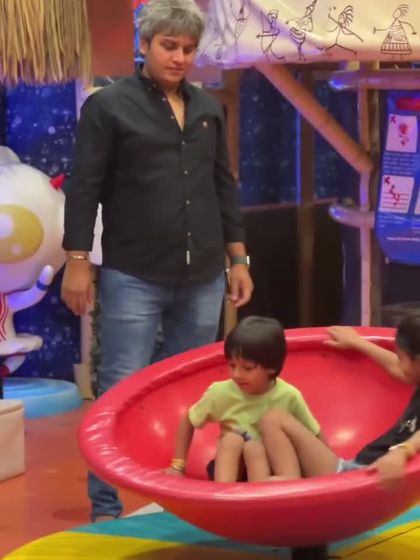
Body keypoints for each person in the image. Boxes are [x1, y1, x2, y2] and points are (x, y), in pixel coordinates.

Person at [61, 0, 253, 521]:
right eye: (169, 46)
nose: (179, 57)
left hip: (204, 275)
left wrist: (239, 258)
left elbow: (223, 188)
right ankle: (106, 508)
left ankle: (179, 499)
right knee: (119, 387)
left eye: (188, 49)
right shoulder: (108, 107)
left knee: (192, 391)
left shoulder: (208, 108)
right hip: (133, 273)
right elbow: (83, 187)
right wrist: (78, 259)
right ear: (144, 45)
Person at [244, 316, 420, 488]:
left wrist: (403, 452)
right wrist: (359, 343)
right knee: (268, 426)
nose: (398, 363)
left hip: (360, 477)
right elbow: (396, 367)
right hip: (355, 469)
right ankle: (288, 479)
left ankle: (289, 486)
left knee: (273, 419)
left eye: (401, 357)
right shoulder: (414, 373)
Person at [167, 316, 322, 482]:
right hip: (233, 467)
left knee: (254, 448)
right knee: (232, 440)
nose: (236, 374)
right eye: (232, 365)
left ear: (272, 367)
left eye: (247, 368)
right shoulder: (220, 392)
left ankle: (260, 488)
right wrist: (178, 466)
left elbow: (314, 435)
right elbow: (189, 420)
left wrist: (328, 473)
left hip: (271, 470)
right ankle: (224, 491)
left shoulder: (289, 395)